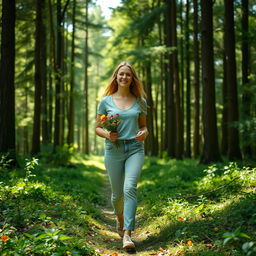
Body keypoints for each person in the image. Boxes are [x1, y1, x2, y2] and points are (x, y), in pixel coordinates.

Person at [95, 61, 148, 250]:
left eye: (128, 74)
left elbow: (143, 125)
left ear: (132, 78)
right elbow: (97, 128)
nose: (124, 77)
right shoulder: (106, 101)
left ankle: (127, 234)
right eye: (121, 74)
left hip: (135, 148)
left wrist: (145, 132)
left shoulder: (140, 101)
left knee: (130, 188)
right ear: (116, 77)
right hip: (113, 150)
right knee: (117, 195)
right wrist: (108, 134)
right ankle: (120, 219)